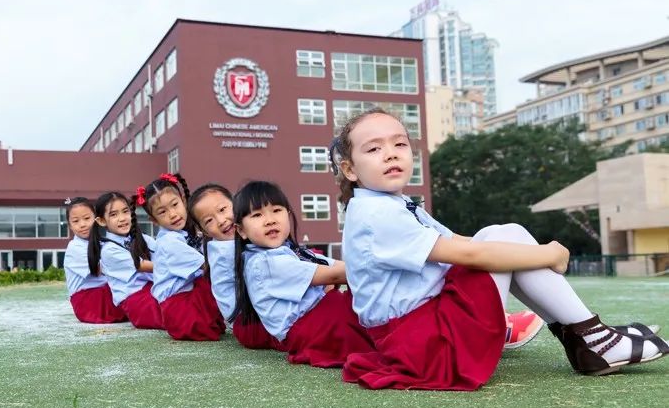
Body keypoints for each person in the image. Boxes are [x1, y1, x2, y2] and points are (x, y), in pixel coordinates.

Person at [328, 107, 667, 390]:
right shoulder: (377, 214)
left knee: (502, 234)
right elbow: (472, 255)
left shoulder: (391, 204)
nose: (390, 153)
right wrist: (550, 254)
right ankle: (593, 338)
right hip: (426, 347)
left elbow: (461, 241)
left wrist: (516, 246)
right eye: (373, 149)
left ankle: (587, 337)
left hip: (420, 334)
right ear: (350, 169)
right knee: (507, 240)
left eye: (399, 144)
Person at [232, 180, 377, 367]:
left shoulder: (292, 251)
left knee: (366, 308)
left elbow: (339, 266)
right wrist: (383, 266)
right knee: (371, 327)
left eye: (277, 210)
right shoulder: (264, 263)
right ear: (241, 230)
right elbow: (334, 275)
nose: (270, 220)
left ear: (288, 214)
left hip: (324, 317)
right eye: (257, 215)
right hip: (314, 327)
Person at [189, 183, 283, 350]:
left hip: (251, 320)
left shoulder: (238, 240)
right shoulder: (226, 250)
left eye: (223, 209)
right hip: (251, 324)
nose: (221, 220)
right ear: (204, 231)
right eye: (209, 221)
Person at [141, 173, 225, 341]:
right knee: (214, 275)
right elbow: (206, 266)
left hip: (186, 300)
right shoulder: (169, 242)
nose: (172, 214)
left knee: (210, 277)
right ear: (154, 220)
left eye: (175, 205)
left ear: (183, 201)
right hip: (180, 309)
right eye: (162, 212)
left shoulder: (184, 232)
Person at [87, 191, 163, 329]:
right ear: (101, 221)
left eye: (125, 211)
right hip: (137, 301)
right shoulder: (109, 250)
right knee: (175, 310)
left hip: (153, 290)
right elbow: (141, 265)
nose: (122, 218)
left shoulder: (142, 238)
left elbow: (162, 253)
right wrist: (176, 265)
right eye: (113, 214)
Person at [63, 197, 128, 324]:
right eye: (75, 221)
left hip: (104, 291)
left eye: (87, 218)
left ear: (97, 219)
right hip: (88, 300)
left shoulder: (102, 242)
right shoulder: (74, 247)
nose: (82, 224)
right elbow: (100, 270)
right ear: (70, 225)